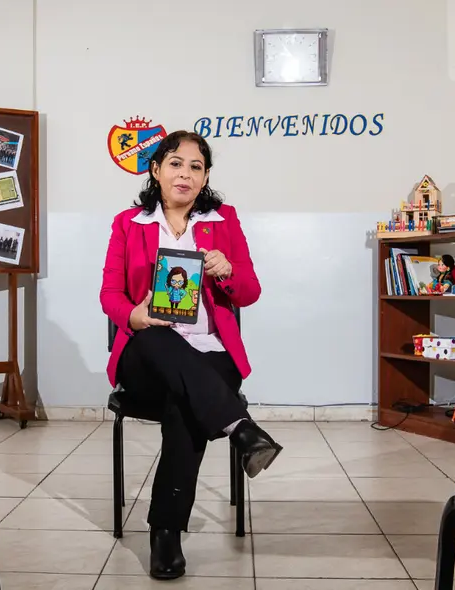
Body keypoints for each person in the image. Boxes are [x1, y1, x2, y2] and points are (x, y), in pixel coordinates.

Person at [99, 130, 283, 581]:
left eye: (196, 166)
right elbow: (110, 294)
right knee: (157, 338)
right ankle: (240, 428)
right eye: (176, 164)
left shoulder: (224, 220)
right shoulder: (128, 223)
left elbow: (250, 292)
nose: (185, 173)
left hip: (210, 354)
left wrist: (227, 271)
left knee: (185, 402)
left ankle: (165, 534)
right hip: (147, 355)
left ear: (205, 177)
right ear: (156, 170)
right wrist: (135, 315)